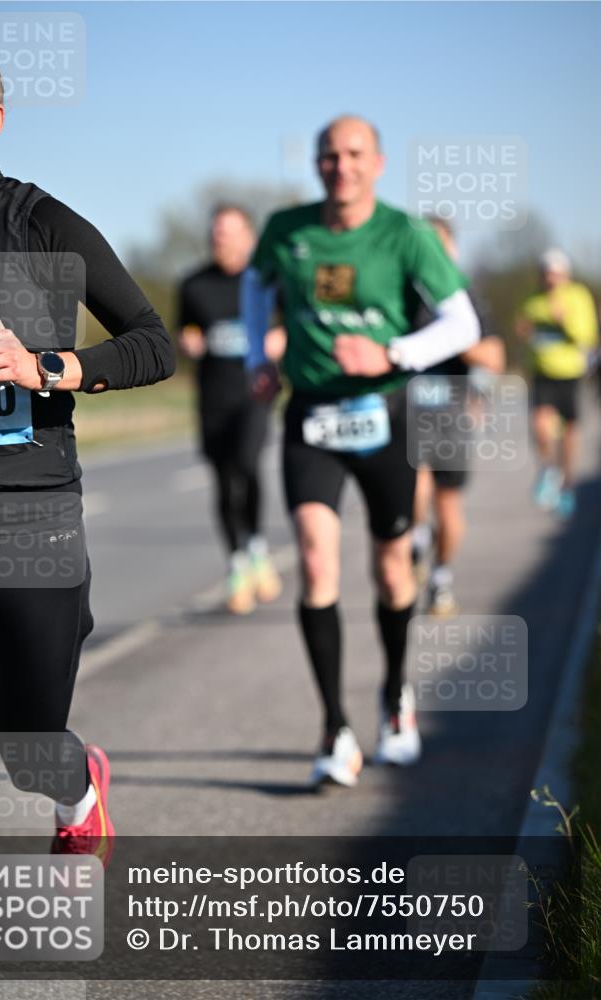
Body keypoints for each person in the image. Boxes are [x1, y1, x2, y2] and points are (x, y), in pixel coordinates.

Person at [0, 15, 175, 997]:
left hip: (29, 516)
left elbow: (153, 342)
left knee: (28, 747)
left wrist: (47, 366)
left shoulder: (39, 224)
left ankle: (79, 788)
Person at [242, 115, 480, 788]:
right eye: (327, 155)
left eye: (352, 154)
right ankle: (333, 728)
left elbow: (461, 321)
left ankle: (395, 698)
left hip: (386, 415)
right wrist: (259, 355)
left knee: (389, 569)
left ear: (376, 163)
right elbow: (255, 287)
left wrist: (392, 352)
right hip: (311, 415)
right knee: (316, 561)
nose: (338, 166)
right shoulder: (286, 230)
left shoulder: (403, 234)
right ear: (316, 165)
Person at [178, 206, 281, 614]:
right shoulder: (194, 284)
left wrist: (281, 340)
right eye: (216, 232)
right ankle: (238, 561)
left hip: (255, 391)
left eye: (229, 232)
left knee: (248, 464)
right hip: (213, 394)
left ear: (249, 238)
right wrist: (189, 342)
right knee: (223, 478)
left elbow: (292, 320)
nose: (220, 239)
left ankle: (256, 545)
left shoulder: (266, 279)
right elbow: (186, 328)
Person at [411, 216, 505, 616]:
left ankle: (441, 577)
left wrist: (465, 344)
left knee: (448, 509)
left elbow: (495, 357)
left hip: (451, 414)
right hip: (407, 413)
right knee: (413, 494)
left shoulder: (468, 298)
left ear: (452, 249)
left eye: (439, 243)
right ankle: (416, 540)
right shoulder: (401, 295)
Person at [515, 248, 598, 518]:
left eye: (556, 275)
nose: (551, 280)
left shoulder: (578, 296)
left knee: (570, 433)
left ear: (565, 275)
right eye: (546, 274)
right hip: (542, 373)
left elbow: (588, 336)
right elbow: (527, 334)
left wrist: (566, 321)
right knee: (540, 424)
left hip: (570, 373)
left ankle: (567, 483)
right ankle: (549, 469)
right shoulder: (533, 301)